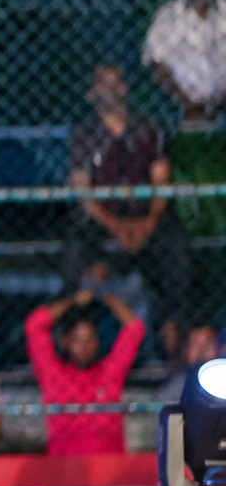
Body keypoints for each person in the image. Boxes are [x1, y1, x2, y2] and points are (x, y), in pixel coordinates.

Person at [61, 65, 189, 357]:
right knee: (74, 248)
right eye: (103, 84)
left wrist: (149, 221)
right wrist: (116, 226)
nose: (111, 89)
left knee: (175, 245)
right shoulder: (84, 135)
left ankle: (173, 329)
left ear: (126, 88)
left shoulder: (148, 130)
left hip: (144, 215)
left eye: (116, 82)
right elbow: (83, 192)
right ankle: (72, 328)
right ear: (91, 94)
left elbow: (161, 181)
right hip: (102, 218)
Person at [25, 292, 145, 455]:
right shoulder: (52, 373)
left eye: (90, 339)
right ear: (64, 341)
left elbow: (135, 328)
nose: (84, 346)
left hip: (108, 467)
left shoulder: (109, 372)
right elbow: (35, 325)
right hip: (64, 468)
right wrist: (72, 300)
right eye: (77, 340)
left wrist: (105, 295)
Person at [144, 0, 226, 125]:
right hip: (176, 106)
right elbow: (156, 64)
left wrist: (217, 104)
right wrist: (188, 105)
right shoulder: (168, 16)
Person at [159, 325, 221, 404]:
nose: (201, 350)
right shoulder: (180, 383)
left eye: (207, 344)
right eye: (195, 344)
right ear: (186, 349)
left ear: (217, 346)